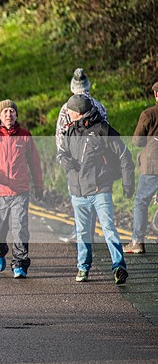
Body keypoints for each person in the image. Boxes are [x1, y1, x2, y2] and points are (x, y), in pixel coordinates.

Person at [57, 94, 135, 284]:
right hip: (78, 192)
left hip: (100, 189)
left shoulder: (102, 130)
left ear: (80, 113)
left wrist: (128, 183)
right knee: (83, 232)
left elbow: (124, 155)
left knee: (108, 229)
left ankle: (119, 267)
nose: (66, 112)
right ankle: (83, 268)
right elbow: (61, 153)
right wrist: (64, 160)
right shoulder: (69, 131)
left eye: (70, 110)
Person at [0, 100, 44, 278]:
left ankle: (20, 264)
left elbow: (35, 163)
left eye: (12, 111)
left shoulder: (24, 136)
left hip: (19, 192)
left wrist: (39, 186)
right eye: (5, 111)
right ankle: (0, 252)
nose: (9, 114)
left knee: (20, 228)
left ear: (16, 115)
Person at [124, 81, 158, 254]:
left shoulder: (148, 114)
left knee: (141, 202)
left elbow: (137, 141)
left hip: (153, 165)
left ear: (156, 95)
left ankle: (137, 241)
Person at [54, 68, 108, 149]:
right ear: (88, 85)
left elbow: (60, 139)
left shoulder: (66, 108)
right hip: (98, 155)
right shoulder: (99, 106)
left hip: (75, 156)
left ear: (72, 87)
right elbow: (107, 134)